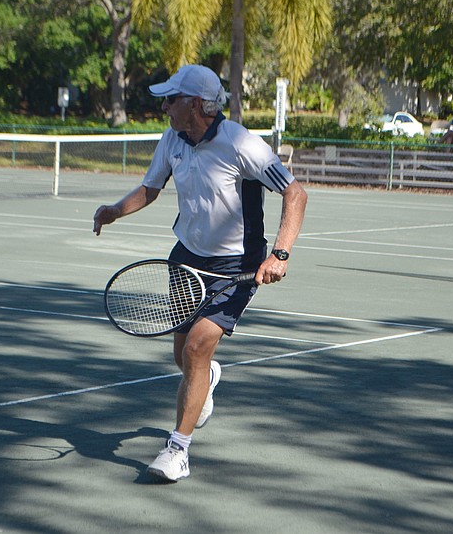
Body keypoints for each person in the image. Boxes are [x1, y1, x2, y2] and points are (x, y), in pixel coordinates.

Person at [92, 64, 308, 482]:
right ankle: (206, 379)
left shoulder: (241, 144)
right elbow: (151, 188)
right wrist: (116, 210)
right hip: (185, 259)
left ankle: (178, 450)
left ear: (194, 105)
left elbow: (294, 193)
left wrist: (279, 253)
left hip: (236, 266)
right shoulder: (172, 138)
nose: (164, 107)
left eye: (170, 100)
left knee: (195, 347)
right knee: (184, 357)